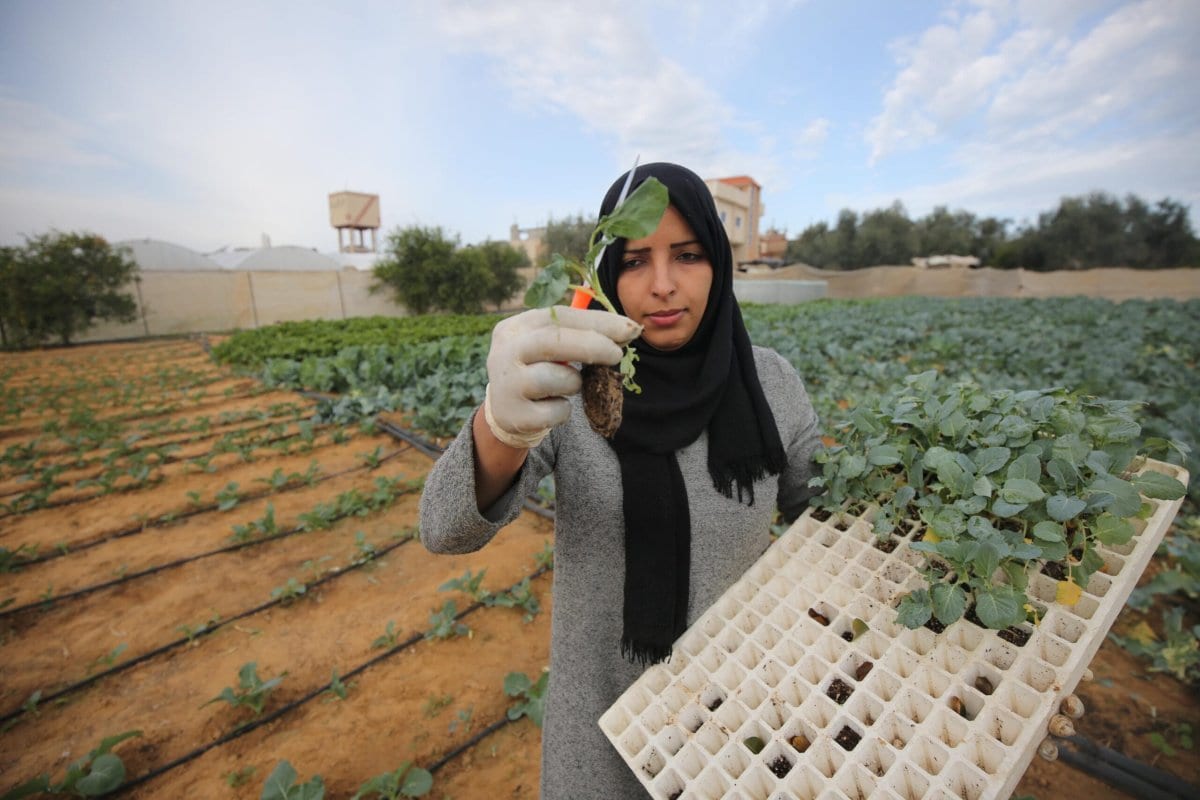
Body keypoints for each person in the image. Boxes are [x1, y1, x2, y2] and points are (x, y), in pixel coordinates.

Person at [418, 162, 822, 799]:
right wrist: (500, 425)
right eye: (635, 262)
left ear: (718, 263)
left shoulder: (770, 383)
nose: (662, 285)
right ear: (606, 274)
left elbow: (825, 521)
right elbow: (443, 529)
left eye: (687, 255)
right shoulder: (570, 382)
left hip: (738, 723)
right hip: (600, 735)